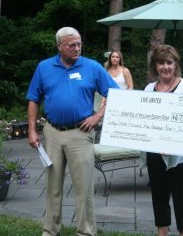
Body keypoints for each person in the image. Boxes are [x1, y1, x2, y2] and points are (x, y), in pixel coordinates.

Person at [26, 27, 119, 236]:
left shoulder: (93, 67)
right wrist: (32, 130)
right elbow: (33, 99)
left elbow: (115, 94)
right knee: (53, 186)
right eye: (72, 45)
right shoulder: (44, 67)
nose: (77, 48)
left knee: (83, 187)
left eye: (79, 44)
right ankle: (50, 230)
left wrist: (97, 116)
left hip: (80, 133)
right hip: (52, 133)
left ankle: (86, 232)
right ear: (59, 46)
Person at [144, 44, 183, 236]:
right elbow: (145, 120)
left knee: (181, 197)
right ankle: (162, 232)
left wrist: (173, 145)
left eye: (169, 62)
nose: (165, 67)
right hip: (155, 153)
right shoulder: (149, 89)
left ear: (175, 65)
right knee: (159, 195)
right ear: (155, 66)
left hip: (181, 156)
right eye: (161, 63)